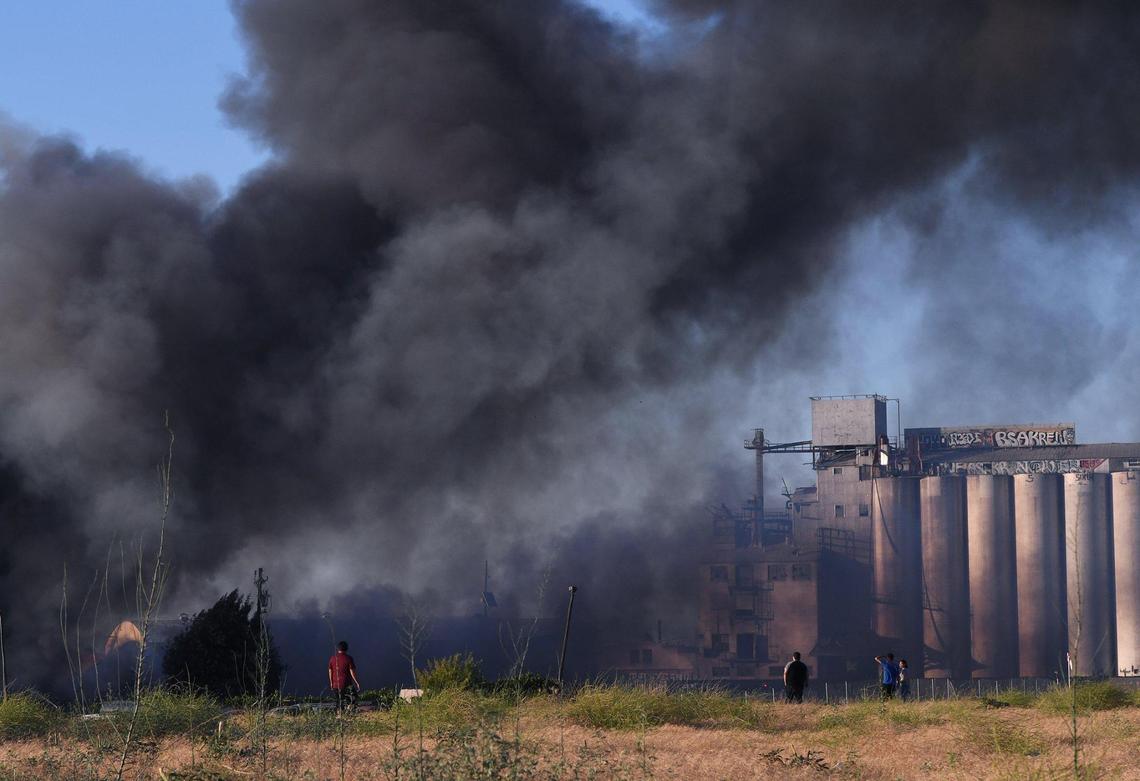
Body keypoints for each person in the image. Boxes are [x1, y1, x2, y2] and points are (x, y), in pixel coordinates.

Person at [329, 640, 360, 711]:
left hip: (335, 685)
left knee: (339, 701)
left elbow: (330, 671)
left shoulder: (332, 658)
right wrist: (356, 682)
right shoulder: (349, 658)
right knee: (354, 698)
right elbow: (352, 671)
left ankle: (339, 716)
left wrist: (331, 683)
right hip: (346, 684)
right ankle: (349, 711)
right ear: (346, 649)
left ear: (338, 649)